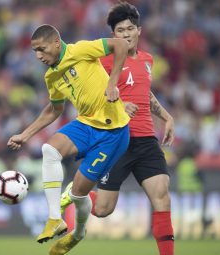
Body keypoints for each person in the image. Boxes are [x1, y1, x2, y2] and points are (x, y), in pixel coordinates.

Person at [61, 2, 175, 255]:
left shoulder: (147, 60)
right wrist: (120, 106)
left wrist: (166, 116)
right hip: (116, 139)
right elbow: (89, 96)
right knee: (103, 210)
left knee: (162, 196)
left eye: (130, 29)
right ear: (113, 35)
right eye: (120, 30)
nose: (126, 34)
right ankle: (78, 192)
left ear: (139, 31)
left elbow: (145, 93)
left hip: (146, 140)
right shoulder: (101, 61)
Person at [7, 24, 130, 255]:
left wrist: (112, 82)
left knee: (77, 193)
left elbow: (121, 45)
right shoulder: (51, 75)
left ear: (56, 42)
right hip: (85, 124)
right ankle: (55, 218)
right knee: (49, 150)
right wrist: (25, 134)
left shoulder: (81, 50)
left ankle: (79, 233)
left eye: (41, 49)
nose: (38, 56)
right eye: (34, 51)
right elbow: (54, 110)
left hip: (113, 131)